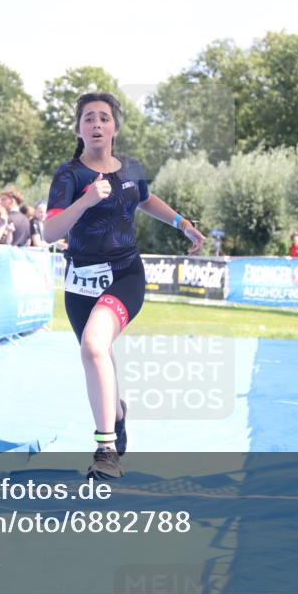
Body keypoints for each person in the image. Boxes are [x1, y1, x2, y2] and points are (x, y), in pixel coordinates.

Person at [44, 92, 205, 479]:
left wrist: (182, 223)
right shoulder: (68, 176)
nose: (96, 124)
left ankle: (105, 449)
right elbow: (50, 231)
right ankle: (116, 414)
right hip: (80, 281)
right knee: (99, 356)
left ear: (115, 127)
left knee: (94, 346)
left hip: (124, 275)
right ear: (78, 128)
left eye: (103, 118)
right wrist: (83, 202)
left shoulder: (130, 168)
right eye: (88, 119)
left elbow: (145, 200)